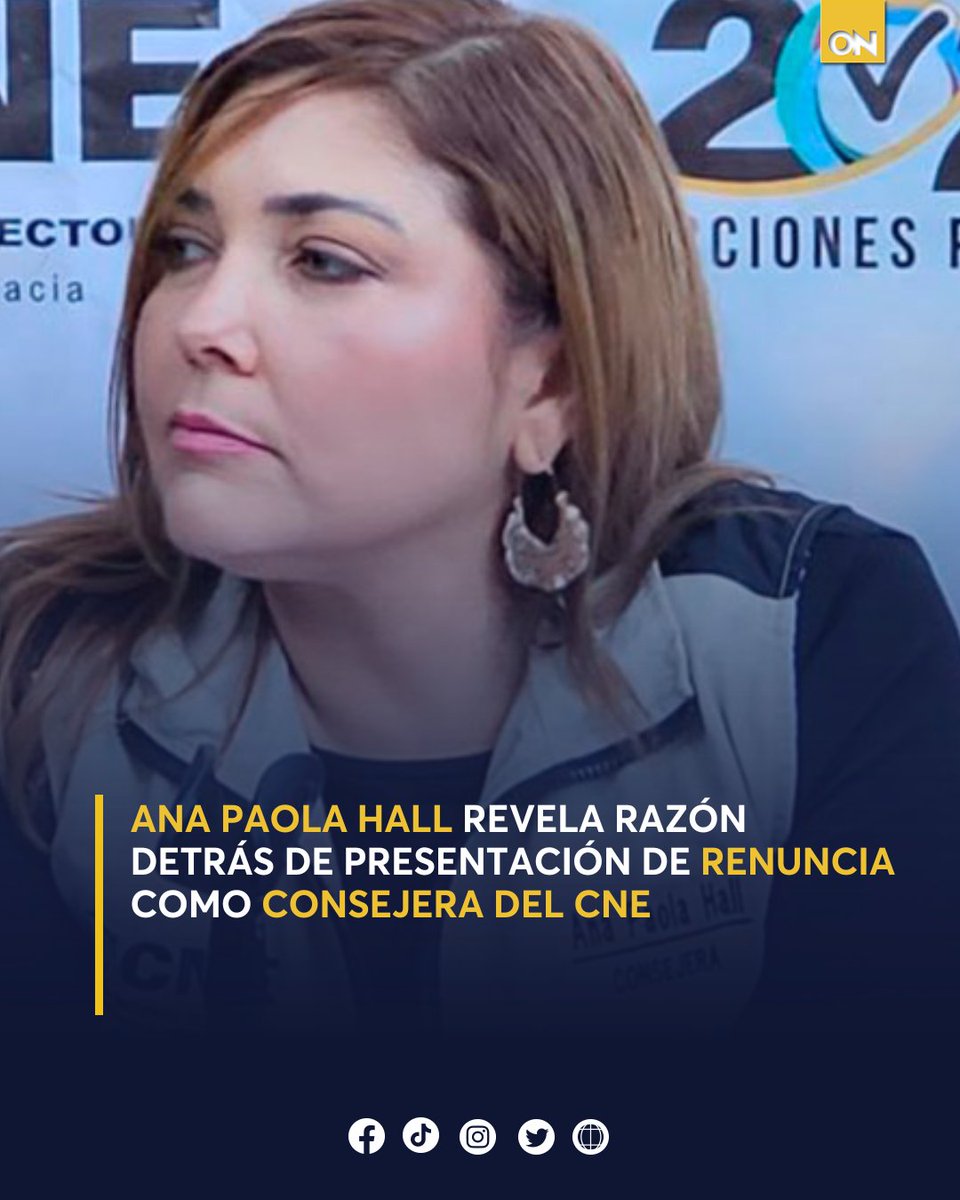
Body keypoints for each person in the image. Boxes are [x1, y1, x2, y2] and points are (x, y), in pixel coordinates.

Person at [0, 0, 958, 1036]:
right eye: (185, 248)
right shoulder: (34, 669)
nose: (203, 323)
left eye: (323, 260)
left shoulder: (813, 633)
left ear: (553, 379)